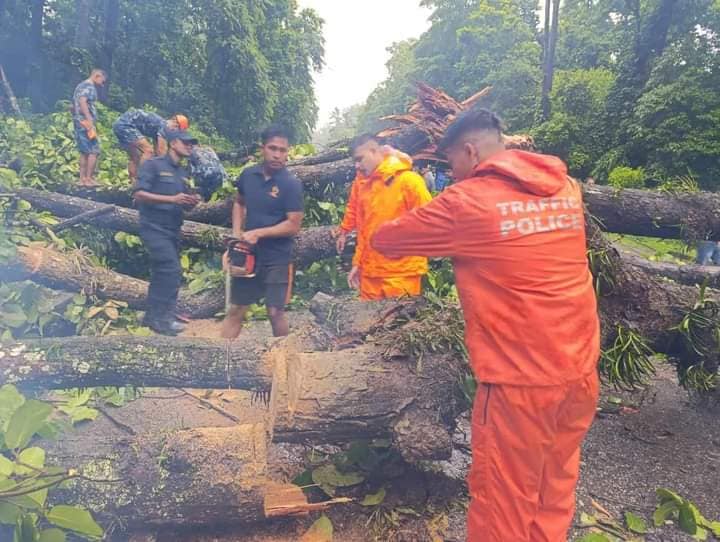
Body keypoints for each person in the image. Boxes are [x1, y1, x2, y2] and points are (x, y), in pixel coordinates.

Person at [371, 109, 600, 542]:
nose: (451, 174)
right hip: (580, 372)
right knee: (553, 492)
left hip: (520, 385)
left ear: (470, 151)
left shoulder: (467, 202)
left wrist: (394, 169)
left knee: (503, 508)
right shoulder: (568, 190)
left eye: (450, 164)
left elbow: (388, 239)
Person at [221, 125, 303, 339]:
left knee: (275, 312)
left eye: (282, 150)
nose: (277, 155)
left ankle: (284, 360)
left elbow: (293, 225)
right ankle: (220, 361)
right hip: (248, 255)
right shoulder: (248, 175)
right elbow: (239, 203)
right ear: (262, 148)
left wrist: (259, 233)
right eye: (272, 148)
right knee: (237, 309)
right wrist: (237, 232)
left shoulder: (291, 184)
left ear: (288, 152)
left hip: (278, 258)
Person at [335, 135, 431, 300]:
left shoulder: (409, 181)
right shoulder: (365, 186)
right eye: (355, 161)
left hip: (401, 274)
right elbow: (364, 230)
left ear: (374, 151)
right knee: (368, 324)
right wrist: (358, 263)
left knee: (398, 324)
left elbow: (431, 222)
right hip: (370, 275)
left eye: (360, 159)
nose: (357, 166)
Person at [133, 129, 201, 335]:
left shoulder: (184, 173)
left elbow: (183, 203)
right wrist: (172, 199)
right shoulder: (153, 165)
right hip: (153, 227)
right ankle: (161, 320)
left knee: (162, 273)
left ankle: (154, 316)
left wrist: (190, 202)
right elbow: (138, 194)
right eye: (186, 142)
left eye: (192, 143)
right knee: (171, 270)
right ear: (173, 143)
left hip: (173, 229)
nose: (190, 146)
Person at [113, 110, 189, 183]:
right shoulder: (165, 126)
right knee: (148, 151)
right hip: (126, 125)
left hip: (118, 125)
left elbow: (158, 153)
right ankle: (142, 179)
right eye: (177, 129)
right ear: (175, 123)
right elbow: (161, 152)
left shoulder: (158, 128)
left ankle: (133, 181)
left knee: (135, 157)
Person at [72, 69, 107, 187]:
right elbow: (82, 101)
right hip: (86, 123)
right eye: (102, 81)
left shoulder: (80, 86)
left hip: (79, 121)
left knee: (84, 151)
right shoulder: (88, 86)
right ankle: (88, 179)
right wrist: (89, 119)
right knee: (94, 150)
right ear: (97, 76)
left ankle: (82, 179)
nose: (102, 84)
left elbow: (74, 105)